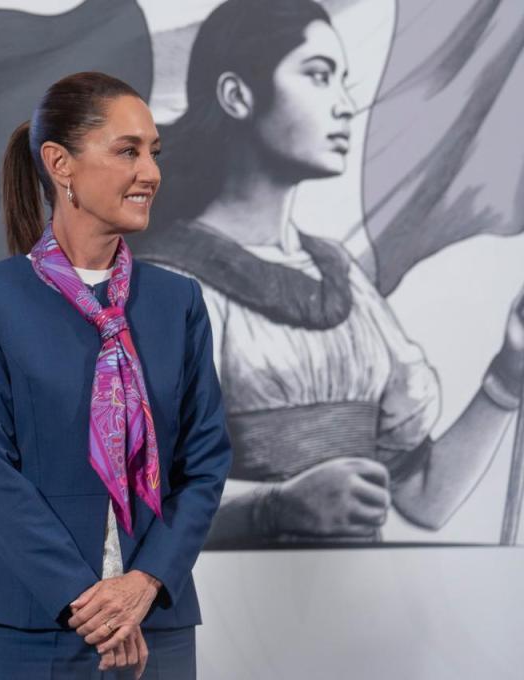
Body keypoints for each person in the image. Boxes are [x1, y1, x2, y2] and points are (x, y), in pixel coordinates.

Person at [129, 0, 524, 547]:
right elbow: (127, 513)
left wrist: (508, 374)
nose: (345, 105)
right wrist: (273, 509)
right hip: (230, 621)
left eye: (343, 80)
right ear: (237, 96)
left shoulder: (344, 281)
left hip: (352, 622)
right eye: (318, 76)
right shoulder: (166, 288)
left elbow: (423, 499)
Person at [0, 72, 232, 678]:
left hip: (154, 625)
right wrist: (88, 601)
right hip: (31, 624)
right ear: (60, 164)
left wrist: (144, 582)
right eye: (128, 150)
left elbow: (205, 463)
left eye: (155, 151)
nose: (150, 172)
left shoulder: (177, 302)